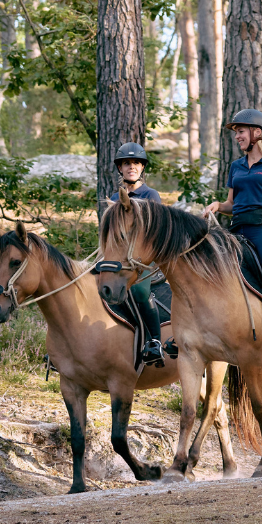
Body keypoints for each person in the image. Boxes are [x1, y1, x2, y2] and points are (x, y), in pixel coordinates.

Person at [205, 110, 262, 352]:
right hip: (237, 229)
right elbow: (231, 204)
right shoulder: (236, 166)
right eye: (236, 133)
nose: (237, 136)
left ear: (257, 133)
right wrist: (218, 205)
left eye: (241, 131)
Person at [110, 142, 165, 366]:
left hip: (144, 259)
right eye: (126, 163)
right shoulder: (114, 198)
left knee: (141, 291)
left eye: (136, 163)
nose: (131, 166)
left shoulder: (151, 195)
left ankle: (154, 341)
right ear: (120, 169)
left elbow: (157, 230)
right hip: (118, 258)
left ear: (142, 168)